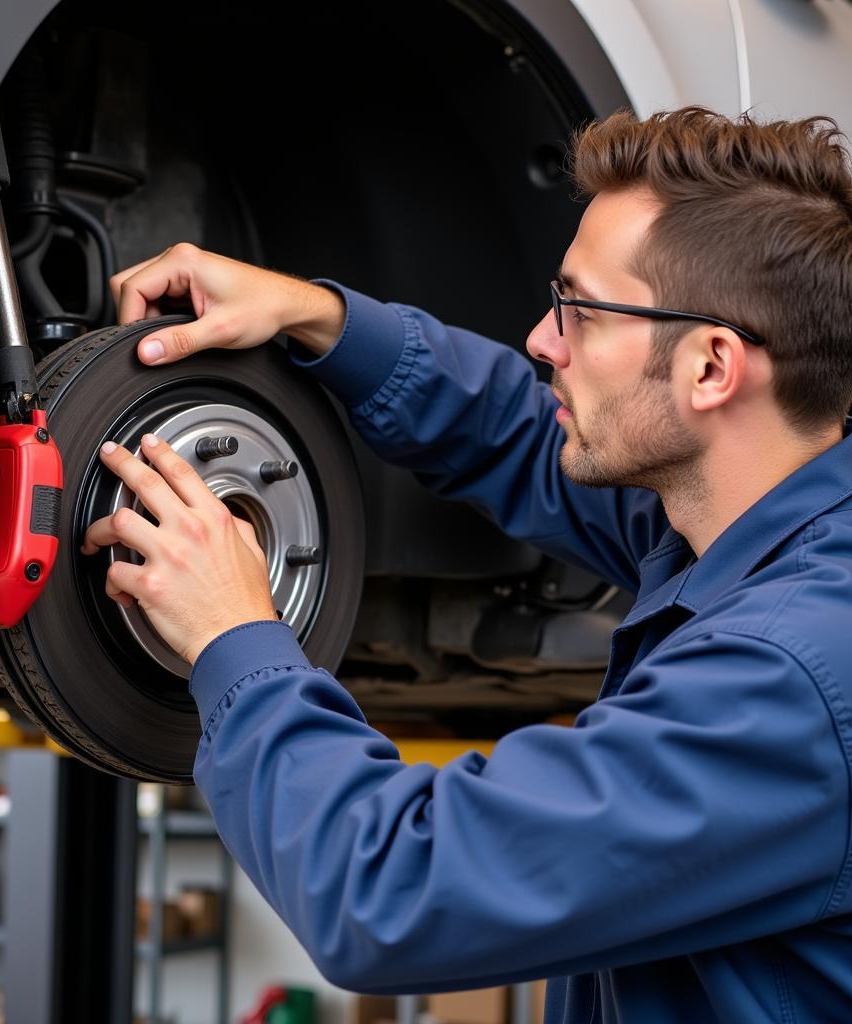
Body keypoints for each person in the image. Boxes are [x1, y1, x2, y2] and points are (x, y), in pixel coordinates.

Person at [82, 108, 852, 1022]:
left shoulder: (788, 680)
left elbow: (392, 893)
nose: (543, 341)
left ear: (712, 368)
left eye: (580, 310)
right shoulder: (748, 518)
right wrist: (317, 316)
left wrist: (236, 636)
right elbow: (525, 440)